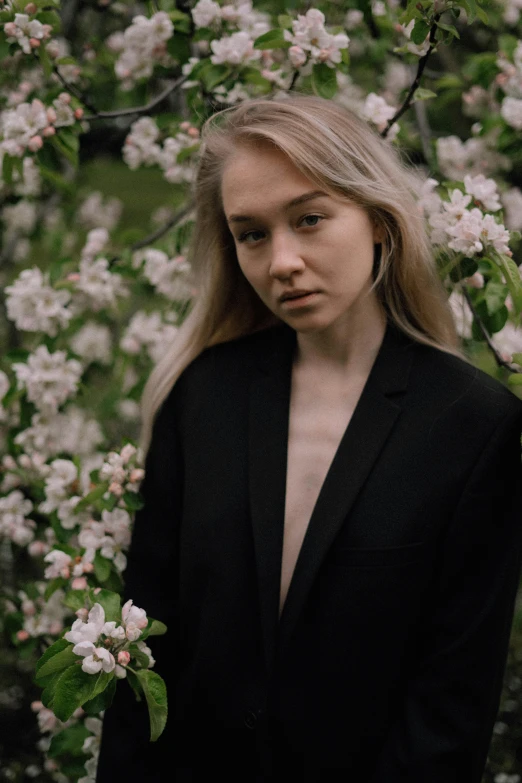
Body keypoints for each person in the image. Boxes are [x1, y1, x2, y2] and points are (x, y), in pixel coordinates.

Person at [96, 94, 522, 783]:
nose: (283, 260)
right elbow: (142, 657)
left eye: (310, 219)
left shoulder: (472, 426)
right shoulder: (200, 397)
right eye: (252, 233)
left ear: (379, 222)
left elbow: (449, 711)